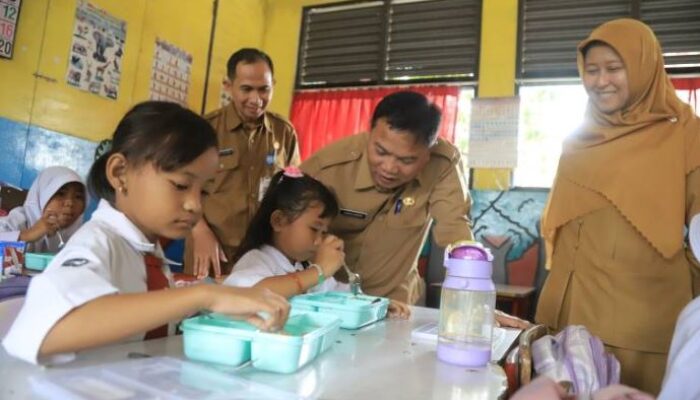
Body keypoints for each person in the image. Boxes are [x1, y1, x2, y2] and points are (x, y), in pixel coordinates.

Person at [2, 101, 289, 365]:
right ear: (120, 173)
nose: (195, 205)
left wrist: (209, 304)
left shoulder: (147, 248)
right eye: (180, 185)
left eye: (203, 191)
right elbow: (48, 328)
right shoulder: (100, 242)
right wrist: (204, 296)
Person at [535, 18, 700, 394]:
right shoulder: (580, 139)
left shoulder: (687, 136)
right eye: (591, 71)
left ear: (644, 68)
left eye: (614, 68)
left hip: (642, 328)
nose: (600, 81)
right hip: (570, 319)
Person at [300, 91, 472, 305]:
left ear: (428, 153)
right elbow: (284, 234)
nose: (389, 168)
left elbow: (455, 230)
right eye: (380, 152)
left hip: (398, 305)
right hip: (329, 303)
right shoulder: (327, 167)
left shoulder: (442, 165)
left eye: (406, 160)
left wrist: (474, 303)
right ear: (369, 133)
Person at [224, 167, 411, 318]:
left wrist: (376, 304)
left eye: (324, 231)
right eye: (314, 228)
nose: (319, 239)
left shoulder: (304, 266)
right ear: (279, 221)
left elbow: (340, 294)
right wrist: (319, 271)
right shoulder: (257, 259)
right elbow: (252, 293)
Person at [185, 48, 300, 279]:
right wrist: (199, 231)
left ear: (273, 84)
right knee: (206, 312)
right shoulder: (205, 130)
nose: (256, 100)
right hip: (213, 250)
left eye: (264, 89)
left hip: (264, 255)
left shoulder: (283, 132)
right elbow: (184, 187)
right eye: (246, 89)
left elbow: (293, 191)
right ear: (228, 85)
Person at [0, 166, 86, 253]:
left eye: (78, 196)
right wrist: (27, 235)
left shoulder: (82, 235)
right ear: (42, 195)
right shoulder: (18, 221)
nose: (70, 203)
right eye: (61, 194)